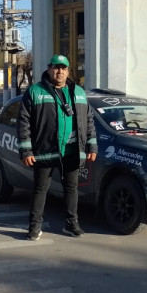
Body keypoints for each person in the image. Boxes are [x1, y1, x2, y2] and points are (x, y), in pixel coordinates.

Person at [18, 54, 98, 240]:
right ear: (49, 68)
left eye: (63, 68)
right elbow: (23, 122)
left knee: (71, 189)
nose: (59, 71)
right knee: (40, 189)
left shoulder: (78, 92)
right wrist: (26, 150)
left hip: (71, 151)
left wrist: (91, 146)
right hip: (45, 150)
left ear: (68, 71)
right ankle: (35, 226)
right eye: (56, 67)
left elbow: (88, 120)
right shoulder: (35, 92)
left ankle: (71, 224)